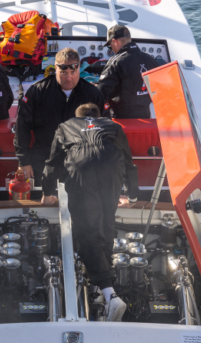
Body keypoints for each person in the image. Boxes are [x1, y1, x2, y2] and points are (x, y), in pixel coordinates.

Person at [44, 103, 137, 322]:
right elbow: (130, 163)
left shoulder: (65, 126)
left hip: (81, 168)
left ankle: (109, 294)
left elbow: (52, 162)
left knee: (87, 231)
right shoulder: (112, 125)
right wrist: (132, 195)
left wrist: (47, 191)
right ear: (99, 116)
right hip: (112, 168)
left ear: (77, 117)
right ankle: (97, 289)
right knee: (106, 226)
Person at [15, 47, 108, 198]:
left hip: (82, 161)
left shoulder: (93, 94)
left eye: (73, 73)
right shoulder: (37, 91)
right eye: (63, 73)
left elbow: (105, 129)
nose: (69, 78)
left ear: (79, 69)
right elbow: (22, 127)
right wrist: (24, 161)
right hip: (44, 159)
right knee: (43, 202)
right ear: (56, 70)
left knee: (81, 204)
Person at [94, 25, 163, 118]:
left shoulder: (116, 61)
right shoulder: (150, 59)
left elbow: (101, 93)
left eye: (110, 46)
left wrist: (92, 87)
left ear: (114, 41)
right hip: (145, 117)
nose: (112, 49)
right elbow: (160, 89)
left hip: (120, 120)